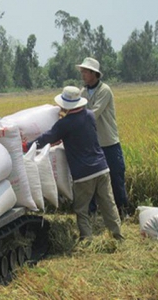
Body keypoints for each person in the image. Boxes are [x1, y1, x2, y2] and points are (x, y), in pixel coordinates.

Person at [23, 86, 123, 243]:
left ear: (65, 105)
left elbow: (47, 137)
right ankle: (118, 236)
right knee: (108, 204)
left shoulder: (65, 124)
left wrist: (27, 146)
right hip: (102, 168)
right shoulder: (90, 115)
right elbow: (81, 135)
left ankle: (87, 240)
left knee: (81, 209)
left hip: (84, 174)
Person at [76, 57, 129, 220]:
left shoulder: (104, 90)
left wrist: (72, 118)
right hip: (93, 144)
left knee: (116, 177)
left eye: (85, 71)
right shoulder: (83, 92)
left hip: (109, 143)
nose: (83, 74)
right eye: (82, 71)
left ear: (94, 74)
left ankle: (123, 211)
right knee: (90, 179)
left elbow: (93, 114)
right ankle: (92, 213)